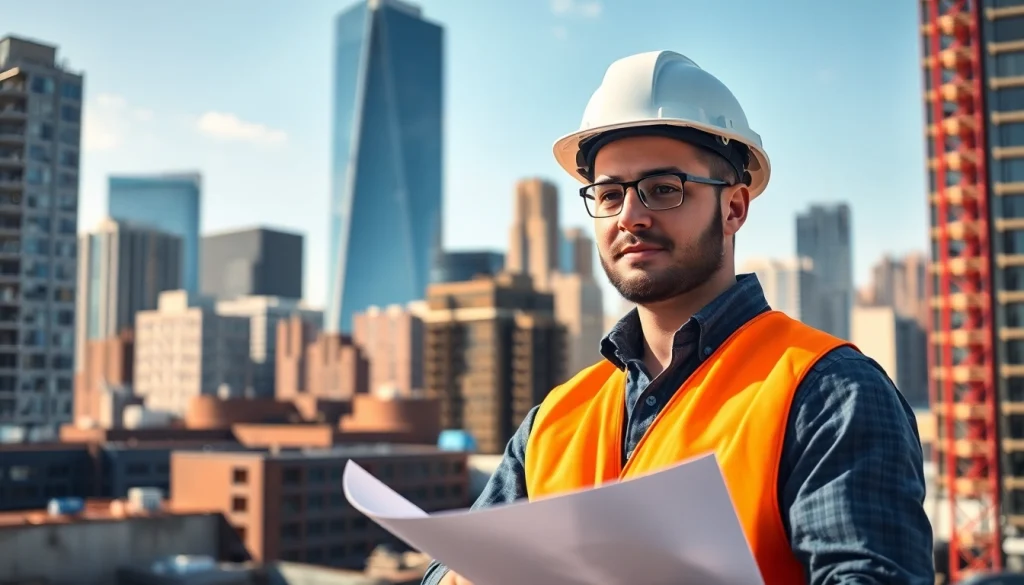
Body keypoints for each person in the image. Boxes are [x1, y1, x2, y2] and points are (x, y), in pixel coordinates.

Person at [421, 50, 934, 585]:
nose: (630, 216)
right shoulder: (553, 421)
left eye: (663, 189)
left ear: (734, 208)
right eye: (609, 193)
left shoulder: (827, 392)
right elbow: (447, 569)